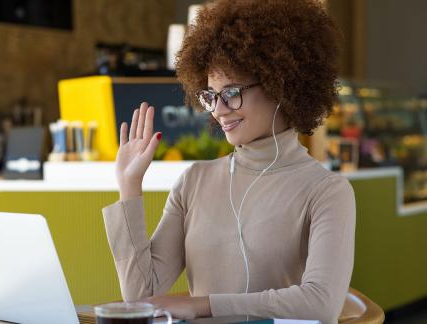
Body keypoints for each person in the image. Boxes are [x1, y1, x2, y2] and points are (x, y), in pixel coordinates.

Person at [102, 0, 355, 323]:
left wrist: (200, 305)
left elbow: (320, 303)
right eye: (210, 95)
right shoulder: (194, 181)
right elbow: (141, 296)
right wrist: (129, 187)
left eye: (231, 92)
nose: (219, 110)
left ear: (281, 84)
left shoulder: (327, 191)